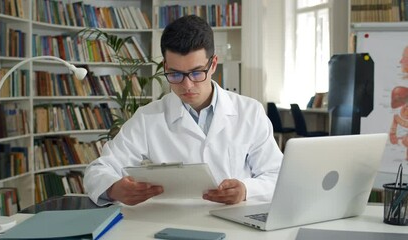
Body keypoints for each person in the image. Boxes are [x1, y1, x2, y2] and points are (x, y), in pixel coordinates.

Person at [84, 15, 283, 206]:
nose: (187, 85)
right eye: (176, 74)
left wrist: (246, 190)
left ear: (213, 64)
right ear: (165, 66)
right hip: (172, 223)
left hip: (235, 222)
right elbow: (99, 169)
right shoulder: (148, 118)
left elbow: (277, 175)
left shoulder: (250, 112)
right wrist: (113, 189)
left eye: (197, 73)